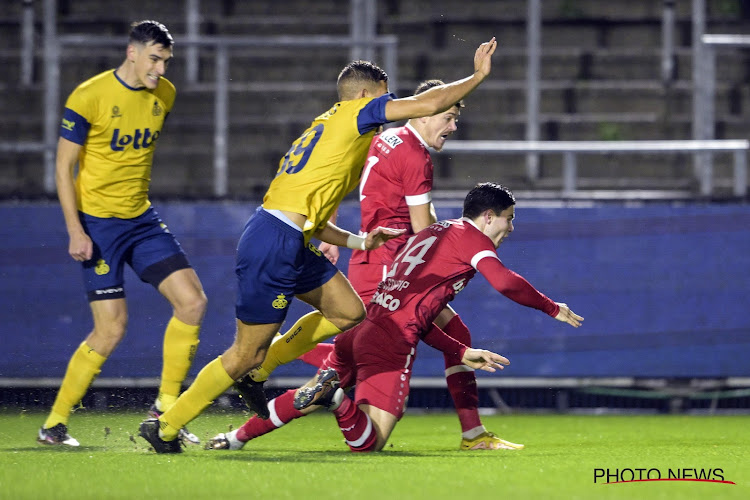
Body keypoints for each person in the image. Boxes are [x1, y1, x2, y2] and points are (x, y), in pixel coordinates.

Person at [138, 38, 499, 453]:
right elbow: (422, 104)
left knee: (349, 312)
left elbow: (308, 215)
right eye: (385, 98)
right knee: (243, 354)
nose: (389, 107)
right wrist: (477, 77)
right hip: (273, 243)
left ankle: (259, 373)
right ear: (365, 95)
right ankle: (166, 426)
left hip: (291, 235)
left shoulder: (328, 130)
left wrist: (357, 240)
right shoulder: (356, 112)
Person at [205, 182, 583, 453]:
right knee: (370, 441)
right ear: (488, 217)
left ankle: (236, 437)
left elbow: (416, 312)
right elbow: (503, 282)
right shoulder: (473, 240)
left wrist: (458, 349)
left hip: (365, 327)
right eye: (508, 219)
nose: (510, 229)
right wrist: (553, 308)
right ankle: (335, 398)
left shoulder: (433, 232)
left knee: (308, 394)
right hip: (390, 343)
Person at [245, 79, 520, 450]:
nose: (453, 126)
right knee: (354, 357)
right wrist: (451, 266)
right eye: (450, 116)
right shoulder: (415, 155)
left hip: (373, 259)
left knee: (367, 348)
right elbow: (423, 232)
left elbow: (338, 178)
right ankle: (258, 361)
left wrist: (331, 232)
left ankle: (247, 406)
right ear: (426, 113)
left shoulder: (382, 139)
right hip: (392, 266)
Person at [38, 21, 207, 447]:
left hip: (142, 220)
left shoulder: (164, 95)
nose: (161, 69)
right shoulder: (89, 95)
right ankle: (54, 424)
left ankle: (166, 407)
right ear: (131, 53)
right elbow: (62, 168)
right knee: (111, 330)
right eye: (154, 59)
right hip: (97, 225)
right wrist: (75, 229)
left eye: (166, 61)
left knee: (192, 302)